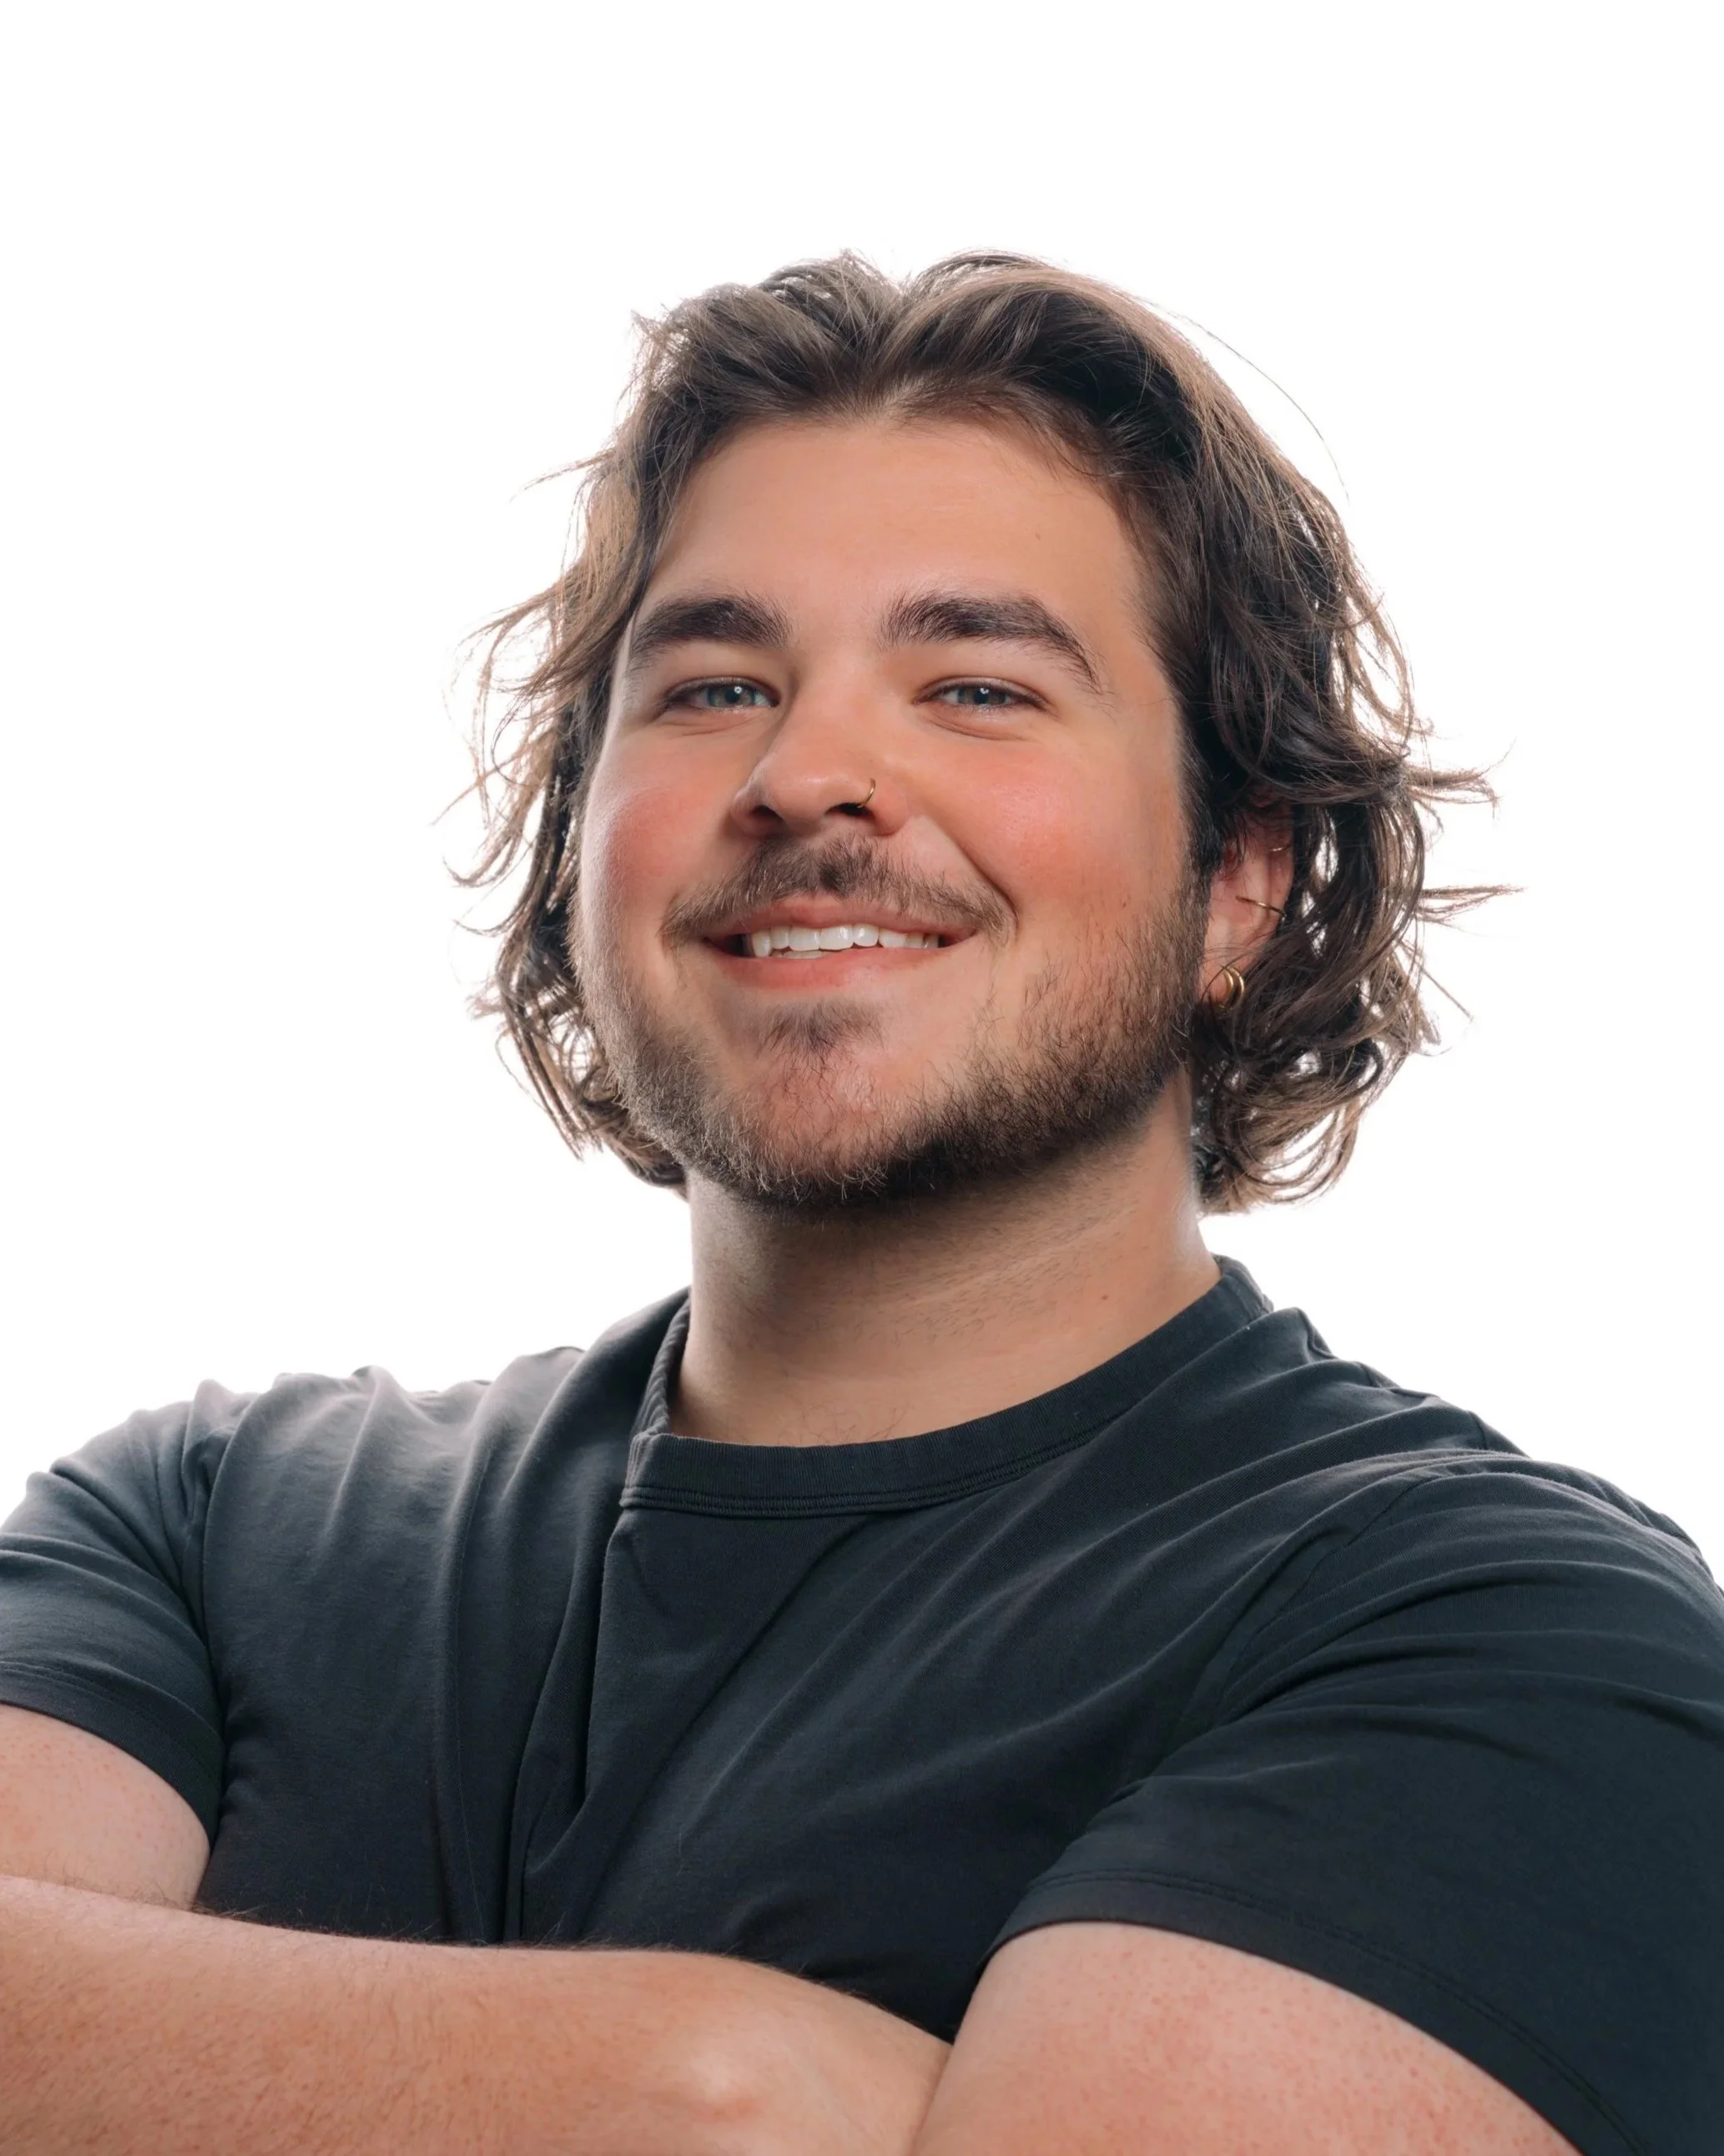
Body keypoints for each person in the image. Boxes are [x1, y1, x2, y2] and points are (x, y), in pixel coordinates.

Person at [1, 254, 1719, 2156]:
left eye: (977, 686)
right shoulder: (203, 1531)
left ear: (1239, 878)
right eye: (716, 684)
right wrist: (723, 2088)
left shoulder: (1501, 1641)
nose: (808, 771)